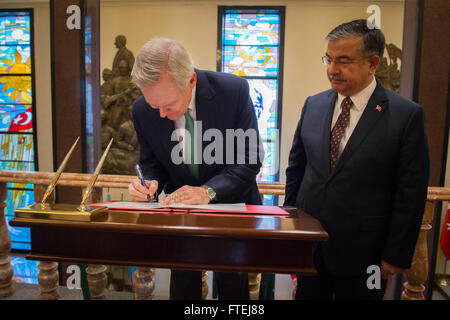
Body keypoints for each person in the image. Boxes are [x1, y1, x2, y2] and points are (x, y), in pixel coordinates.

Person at [284, 19, 429, 300]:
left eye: (343, 61)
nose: (331, 69)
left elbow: (410, 193)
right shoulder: (313, 104)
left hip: (369, 256)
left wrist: (395, 255)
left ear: (372, 63)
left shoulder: (405, 116)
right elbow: (296, 170)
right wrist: (292, 228)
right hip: (312, 247)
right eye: (328, 59)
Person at [127, 37, 264, 300]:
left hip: (232, 206)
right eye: (155, 106)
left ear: (190, 81)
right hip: (181, 211)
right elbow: (151, 163)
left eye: (168, 106)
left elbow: (249, 158)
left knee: (233, 290)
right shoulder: (142, 109)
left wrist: (208, 191)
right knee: (183, 286)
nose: (161, 115)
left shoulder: (233, 91)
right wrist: (150, 184)